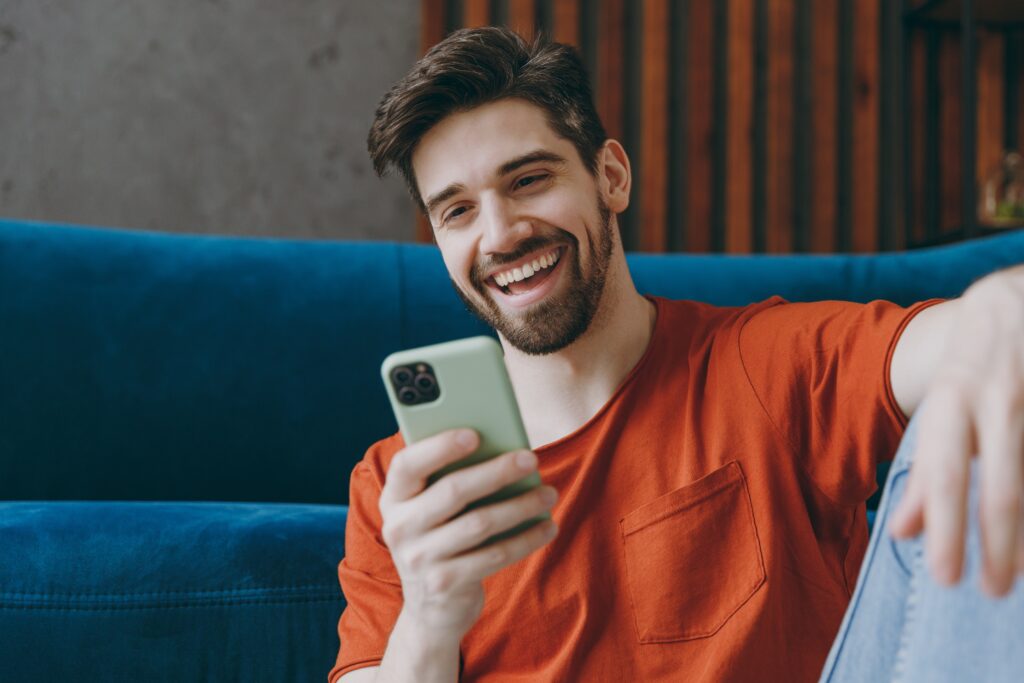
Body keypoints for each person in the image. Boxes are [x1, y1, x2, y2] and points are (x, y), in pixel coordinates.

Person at [329, 27, 1024, 682]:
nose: (502, 233)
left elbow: (958, 342)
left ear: (611, 176)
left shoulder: (761, 364)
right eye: (457, 211)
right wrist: (428, 617)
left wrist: (998, 310)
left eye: (529, 180)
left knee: (972, 409)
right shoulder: (402, 486)